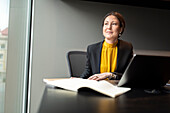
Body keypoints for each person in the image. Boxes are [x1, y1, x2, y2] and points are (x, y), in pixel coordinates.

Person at [80, 11, 133, 81]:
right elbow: (87, 72)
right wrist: (77, 80)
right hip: (97, 88)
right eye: (106, 24)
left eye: (114, 24)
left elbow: (128, 75)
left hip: (116, 88)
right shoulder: (92, 49)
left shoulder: (127, 48)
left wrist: (110, 75)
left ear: (120, 29)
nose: (109, 27)